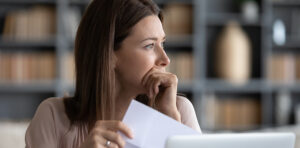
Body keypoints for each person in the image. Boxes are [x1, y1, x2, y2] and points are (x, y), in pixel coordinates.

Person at [25, 0, 201, 147]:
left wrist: (171, 126)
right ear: (108, 55)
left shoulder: (179, 110)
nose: (165, 59)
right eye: (149, 46)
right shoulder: (53, 117)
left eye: (162, 44)